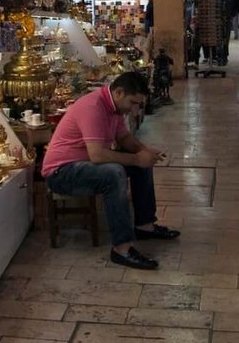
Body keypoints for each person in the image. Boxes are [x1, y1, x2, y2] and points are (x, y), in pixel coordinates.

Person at [41, 71, 179, 270]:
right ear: (119, 92)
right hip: (62, 172)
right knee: (114, 173)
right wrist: (137, 158)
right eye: (133, 103)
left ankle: (145, 225)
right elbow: (97, 155)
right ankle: (121, 248)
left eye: (138, 105)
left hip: (83, 164)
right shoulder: (93, 107)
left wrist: (144, 152)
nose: (134, 110)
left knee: (141, 165)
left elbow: (123, 139)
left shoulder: (114, 108)